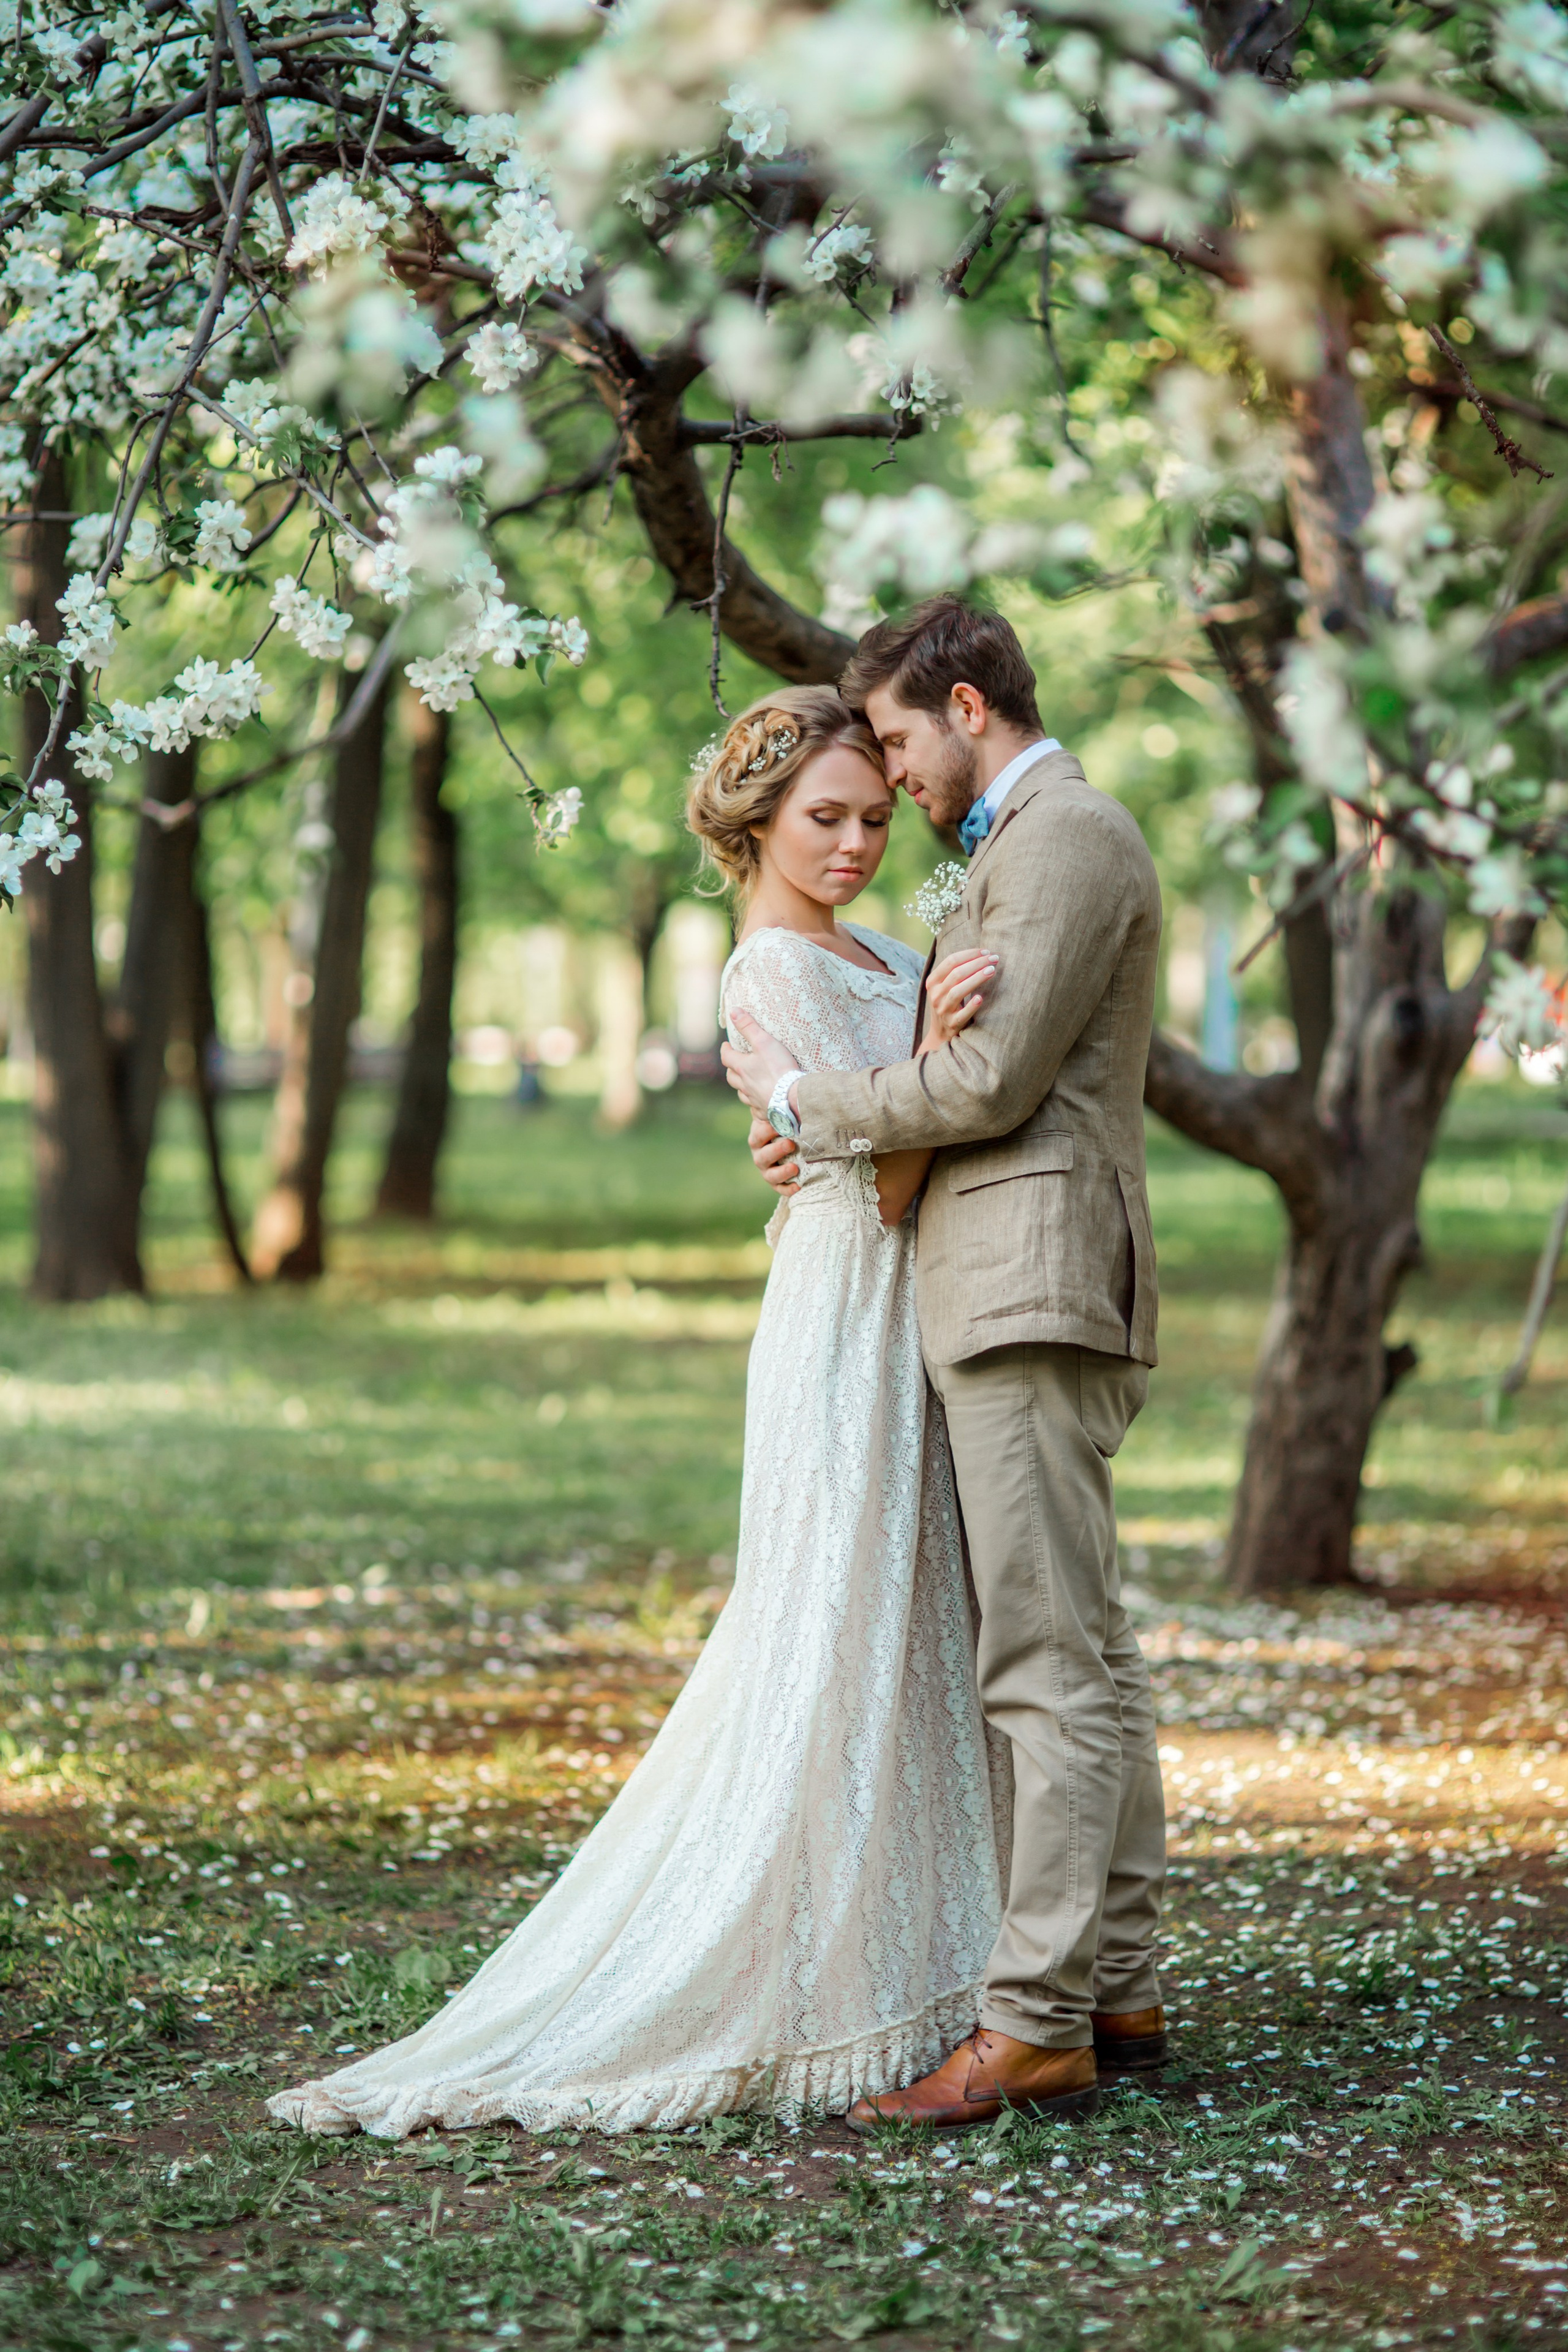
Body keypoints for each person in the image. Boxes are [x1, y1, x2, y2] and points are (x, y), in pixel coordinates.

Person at [266, 683, 1066, 2140]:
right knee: (828, 1621)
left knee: (920, 1631)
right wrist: (925, 1075)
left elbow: (890, 1124)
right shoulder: (765, 973)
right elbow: (891, 1175)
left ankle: (943, 1950)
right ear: (757, 821)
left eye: (872, 820)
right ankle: (798, 1968)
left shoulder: (894, 952)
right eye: (823, 819)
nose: (853, 846)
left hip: (920, 1311)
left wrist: (901, 1083)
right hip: (844, 1312)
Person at [722, 598, 1168, 2131]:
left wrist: (806, 1101)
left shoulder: (1061, 837)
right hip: (992, 1283)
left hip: (1027, 1283)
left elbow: (982, 1082)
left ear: (965, 706)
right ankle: (1110, 1987)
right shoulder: (1019, 841)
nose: (893, 781)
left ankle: (1035, 2023)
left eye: (900, 742)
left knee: (1047, 1663)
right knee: (1083, 1648)